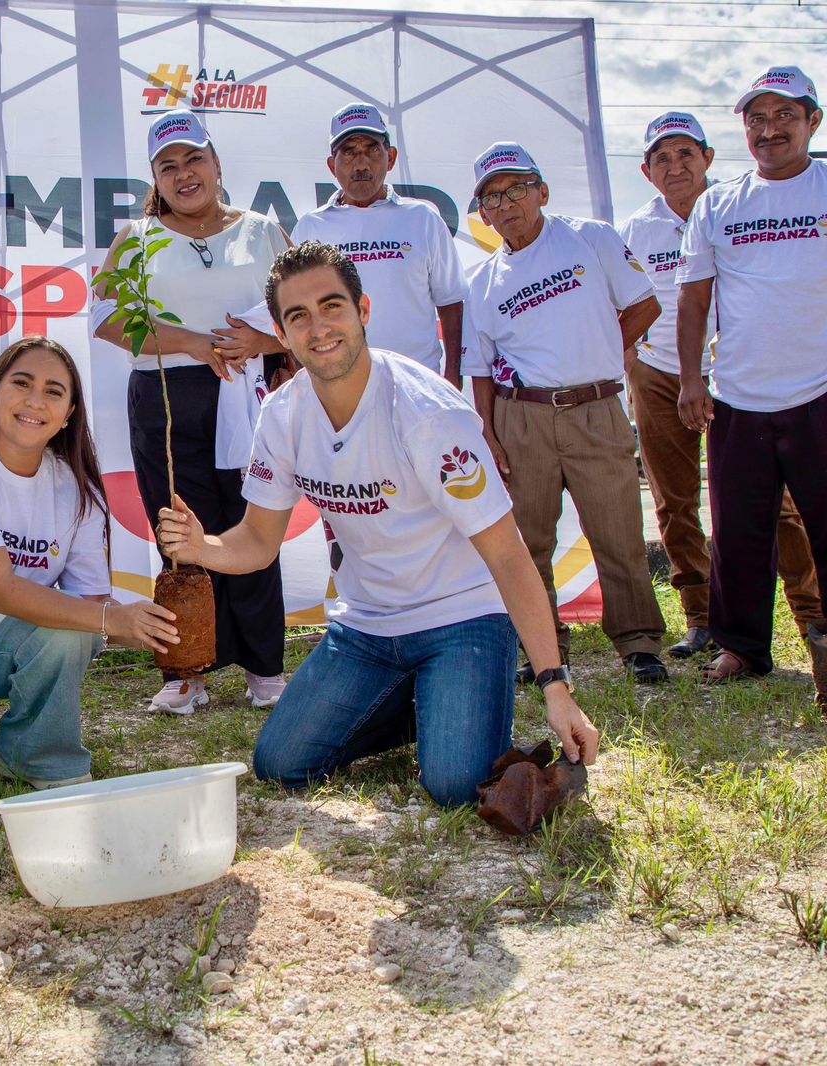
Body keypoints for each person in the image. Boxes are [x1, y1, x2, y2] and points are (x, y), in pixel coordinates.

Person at [158, 242, 600, 806]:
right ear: (280, 332)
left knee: (456, 786)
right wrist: (204, 547)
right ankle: (428, 704)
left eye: (332, 306)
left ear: (363, 310)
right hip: (367, 627)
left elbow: (509, 557)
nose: (319, 328)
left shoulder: (428, 414)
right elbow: (258, 542)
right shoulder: (282, 413)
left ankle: (450, 700)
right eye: (298, 316)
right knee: (281, 764)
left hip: (462, 617)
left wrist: (555, 688)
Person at [0, 337, 180, 802]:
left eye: (53, 391)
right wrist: (114, 620)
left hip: (8, 642)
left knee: (74, 626)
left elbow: (93, 608)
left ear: (69, 412)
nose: (35, 401)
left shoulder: (79, 489)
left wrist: (158, 629)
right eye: (21, 383)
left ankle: (34, 755)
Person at [92, 109, 290, 715]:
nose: (184, 174)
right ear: (155, 177)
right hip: (166, 398)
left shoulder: (263, 231)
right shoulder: (137, 239)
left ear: (217, 163)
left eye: (194, 159)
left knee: (251, 527)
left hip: (248, 396)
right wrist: (192, 343)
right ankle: (187, 670)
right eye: (168, 166)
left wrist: (263, 342)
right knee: (180, 532)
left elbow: (301, 313)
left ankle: (264, 668)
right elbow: (106, 320)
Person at [618, 111, 823, 661]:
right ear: (646, 171)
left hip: (736, 375)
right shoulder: (635, 228)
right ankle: (703, 620)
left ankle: (810, 615)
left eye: (686, 153)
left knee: (778, 508)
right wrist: (636, 361)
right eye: (661, 157)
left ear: (709, 158)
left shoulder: (739, 205)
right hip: (661, 375)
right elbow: (621, 301)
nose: (674, 165)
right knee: (675, 502)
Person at [463, 142, 670, 685]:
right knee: (529, 541)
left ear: (543, 192)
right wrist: (490, 435)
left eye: (517, 190)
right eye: (492, 197)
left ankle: (639, 643)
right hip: (523, 418)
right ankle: (543, 649)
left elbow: (645, 303)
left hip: (596, 407)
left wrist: (604, 351)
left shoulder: (590, 237)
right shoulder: (481, 282)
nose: (506, 205)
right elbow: (480, 370)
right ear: (481, 214)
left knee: (618, 530)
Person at [675, 67, 827, 703]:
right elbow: (692, 299)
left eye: (784, 117)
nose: (770, 131)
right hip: (738, 398)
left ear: (812, 122)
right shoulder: (718, 204)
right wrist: (691, 379)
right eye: (756, 120)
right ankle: (742, 646)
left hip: (819, 393)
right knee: (738, 531)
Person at [292, 103, 467, 383]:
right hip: (340, 388)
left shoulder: (422, 219)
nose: (361, 163)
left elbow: (451, 302)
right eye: (348, 151)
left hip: (417, 385)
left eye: (372, 149)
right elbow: (296, 311)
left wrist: (453, 376)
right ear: (331, 165)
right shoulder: (311, 228)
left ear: (391, 157)